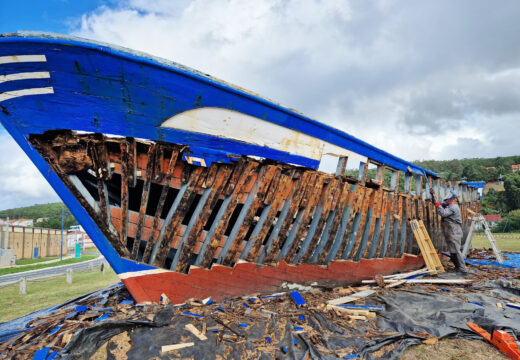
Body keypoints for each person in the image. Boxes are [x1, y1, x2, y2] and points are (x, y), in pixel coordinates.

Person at [431, 191, 468, 273]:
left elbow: (443, 213)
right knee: (453, 251)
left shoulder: (453, 207)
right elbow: (437, 203)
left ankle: (463, 269)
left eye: (449, 200)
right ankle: (458, 267)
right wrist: (433, 195)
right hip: (450, 230)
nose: (446, 201)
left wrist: (438, 205)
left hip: (454, 231)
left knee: (456, 251)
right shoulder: (449, 205)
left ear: (454, 199)